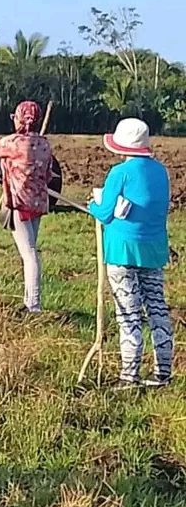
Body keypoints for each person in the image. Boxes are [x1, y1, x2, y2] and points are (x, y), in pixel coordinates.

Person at [88, 118, 174, 389]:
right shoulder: (161, 172)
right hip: (154, 249)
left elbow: (104, 212)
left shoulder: (119, 173)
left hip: (122, 251)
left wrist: (92, 205)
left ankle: (130, 375)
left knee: (128, 313)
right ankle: (163, 372)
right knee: (157, 308)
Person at [0, 100, 54, 314]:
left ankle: (34, 306)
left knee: (29, 254)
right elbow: (48, 175)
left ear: (20, 119)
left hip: (20, 205)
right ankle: (29, 300)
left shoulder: (14, 142)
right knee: (31, 251)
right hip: (39, 204)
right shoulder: (45, 144)